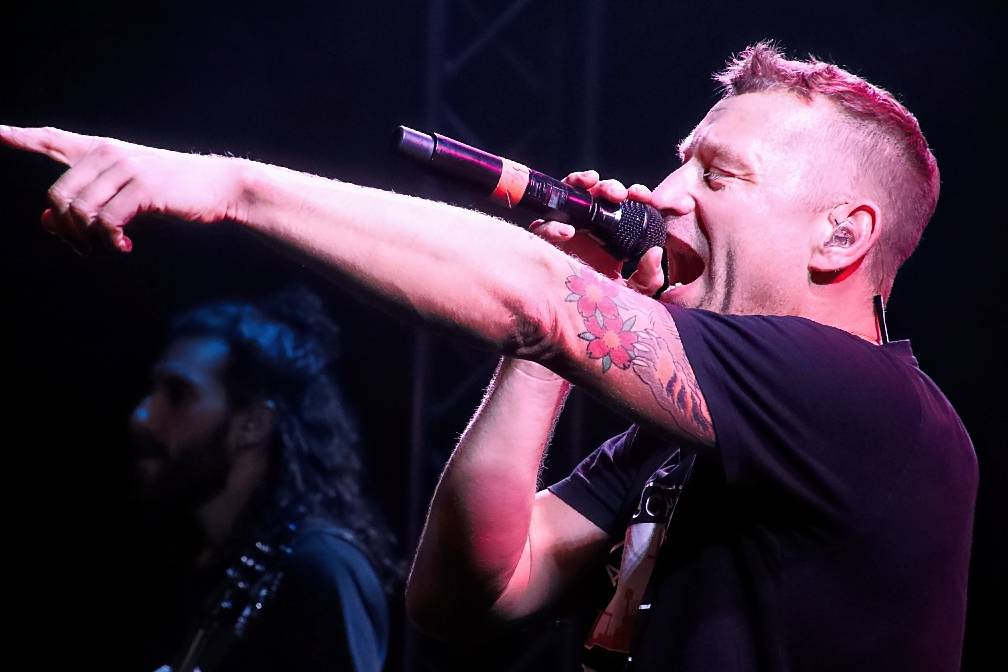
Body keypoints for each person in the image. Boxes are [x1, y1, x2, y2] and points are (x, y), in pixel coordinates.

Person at [0, 42, 976, 671]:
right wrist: (560, 320)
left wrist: (228, 188)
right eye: (681, 160)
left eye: (718, 176)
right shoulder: (683, 443)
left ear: (842, 237)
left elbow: (536, 300)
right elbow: (469, 592)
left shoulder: (869, 405)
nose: (668, 193)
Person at [124, 288, 396, 672]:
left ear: (252, 425)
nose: (142, 416)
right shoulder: (214, 568)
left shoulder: (320, 568)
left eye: (178, 394)